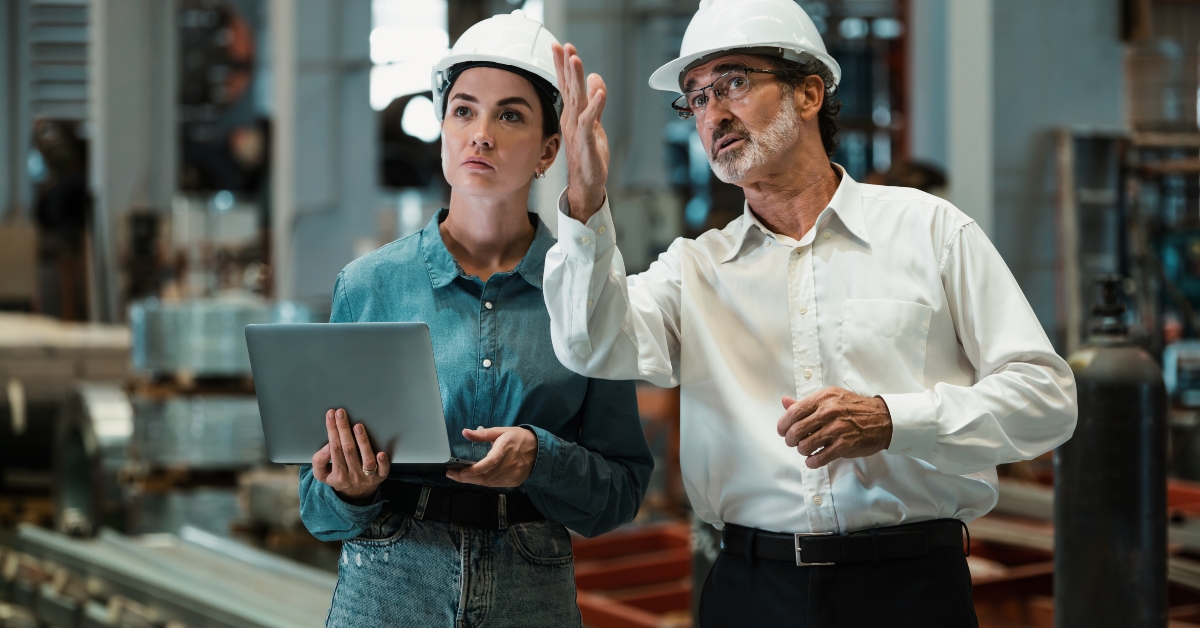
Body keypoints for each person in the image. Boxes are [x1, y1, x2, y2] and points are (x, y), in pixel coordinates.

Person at [543, 0, 1077, 626]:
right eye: (695, 97)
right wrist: (584, 197)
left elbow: (1047, 399)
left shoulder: (930, 231)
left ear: (809, 93)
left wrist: (892, 419)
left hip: (911, 591)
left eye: (734, 83)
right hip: (752, 591)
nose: (713, 113)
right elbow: (589, 344)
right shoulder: (695, 269)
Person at [297, 11, 653, 628]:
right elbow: (316, 509)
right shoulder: (371, 286)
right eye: (463, 110)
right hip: (390, 587)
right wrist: (347, 489)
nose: (479, 134)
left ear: (550, 150)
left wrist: (540, 459)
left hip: (530, 591)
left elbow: (618, 495)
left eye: (509, 114)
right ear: (441, 130)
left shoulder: (585, 291)